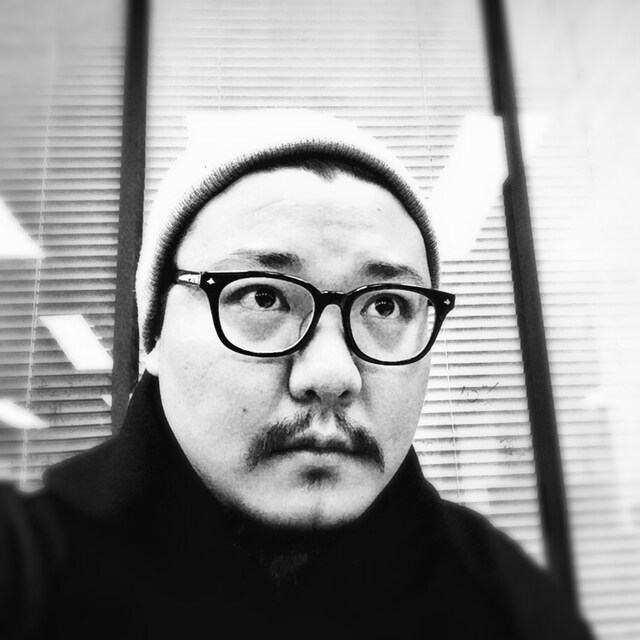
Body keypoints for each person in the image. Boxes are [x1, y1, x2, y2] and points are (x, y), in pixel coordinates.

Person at [0, 109, 592, 639]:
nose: (332, 374)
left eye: (387, 306)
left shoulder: (502, 597)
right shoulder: (29, 573)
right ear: (155, 336)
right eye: (262, 297)